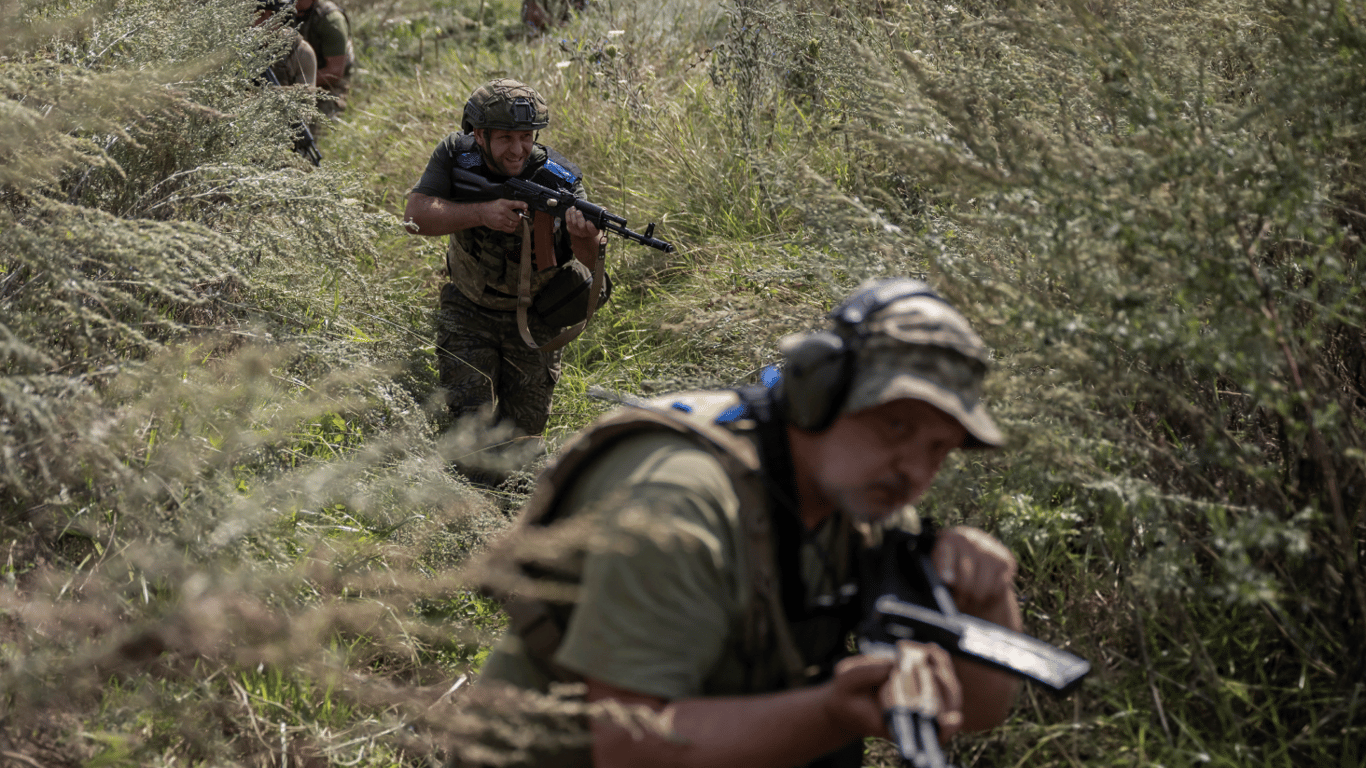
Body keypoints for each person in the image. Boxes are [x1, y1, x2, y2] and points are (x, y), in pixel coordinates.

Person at [470, 277, 1024, 767]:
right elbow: (632, 748)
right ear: (820, 393)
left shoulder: (863, 506)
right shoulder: (679, 505)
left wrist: (988, 597)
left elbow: (976, 712)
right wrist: (830, 714)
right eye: (895, 426)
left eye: (938, 449)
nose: (914, 471)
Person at [403, 79, 606, 478]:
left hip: (535, 318)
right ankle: (466, 504)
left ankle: (512, 507)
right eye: (506, 138)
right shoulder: (456, 156)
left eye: (526, 137)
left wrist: (586, 237)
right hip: (468, 309)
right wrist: (481, 213)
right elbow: (415, 217)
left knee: (521, 444)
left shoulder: (560, 178)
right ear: (479, 135)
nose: (517, 149)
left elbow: (592, 259)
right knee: (470, 431)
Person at [292, 0, 355, 118]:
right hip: (293, 78)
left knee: (315, 123)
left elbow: (334, 73)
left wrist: (297, 84)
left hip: (328, 84)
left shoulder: (331, 19)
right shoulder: (279, 10)